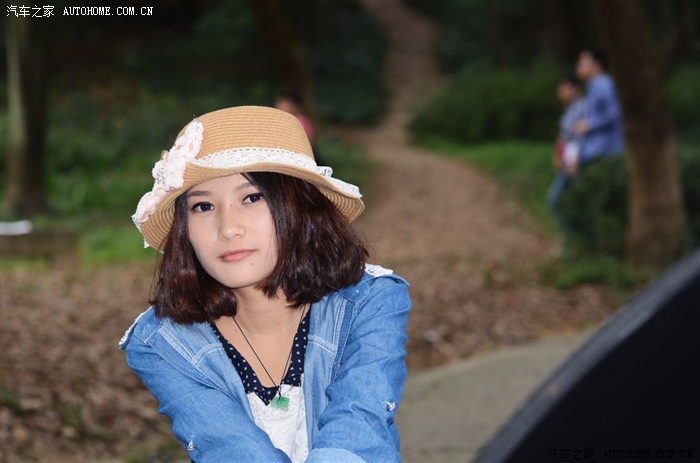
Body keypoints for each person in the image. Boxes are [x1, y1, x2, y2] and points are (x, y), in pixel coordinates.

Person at [119, 106, 411, 462]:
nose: (228, 228)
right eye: (203, 207)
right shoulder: (163, 342)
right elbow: (231, 448)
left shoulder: (369, 301)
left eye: (252, 197)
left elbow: (358, 429)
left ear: (303, 206)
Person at [573, 48, 625, 169]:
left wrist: (589, 124)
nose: (579, 67)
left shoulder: (603, 85)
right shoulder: (592, 86)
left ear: (596, 65)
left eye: (583, 64)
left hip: (604, 151)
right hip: (596, 151)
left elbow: (615, 112)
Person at [547, 75, 587, 229]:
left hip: (575, 162)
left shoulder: (581, 108)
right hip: (568, 161)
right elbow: (563, 138)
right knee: (569, 200)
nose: (561, 93)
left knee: (555, 200)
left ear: (576, 89)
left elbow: (578, 137)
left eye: (565, 89)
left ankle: (572, 235)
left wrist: (573, 159)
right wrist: (558, 156)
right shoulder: (569, 111)